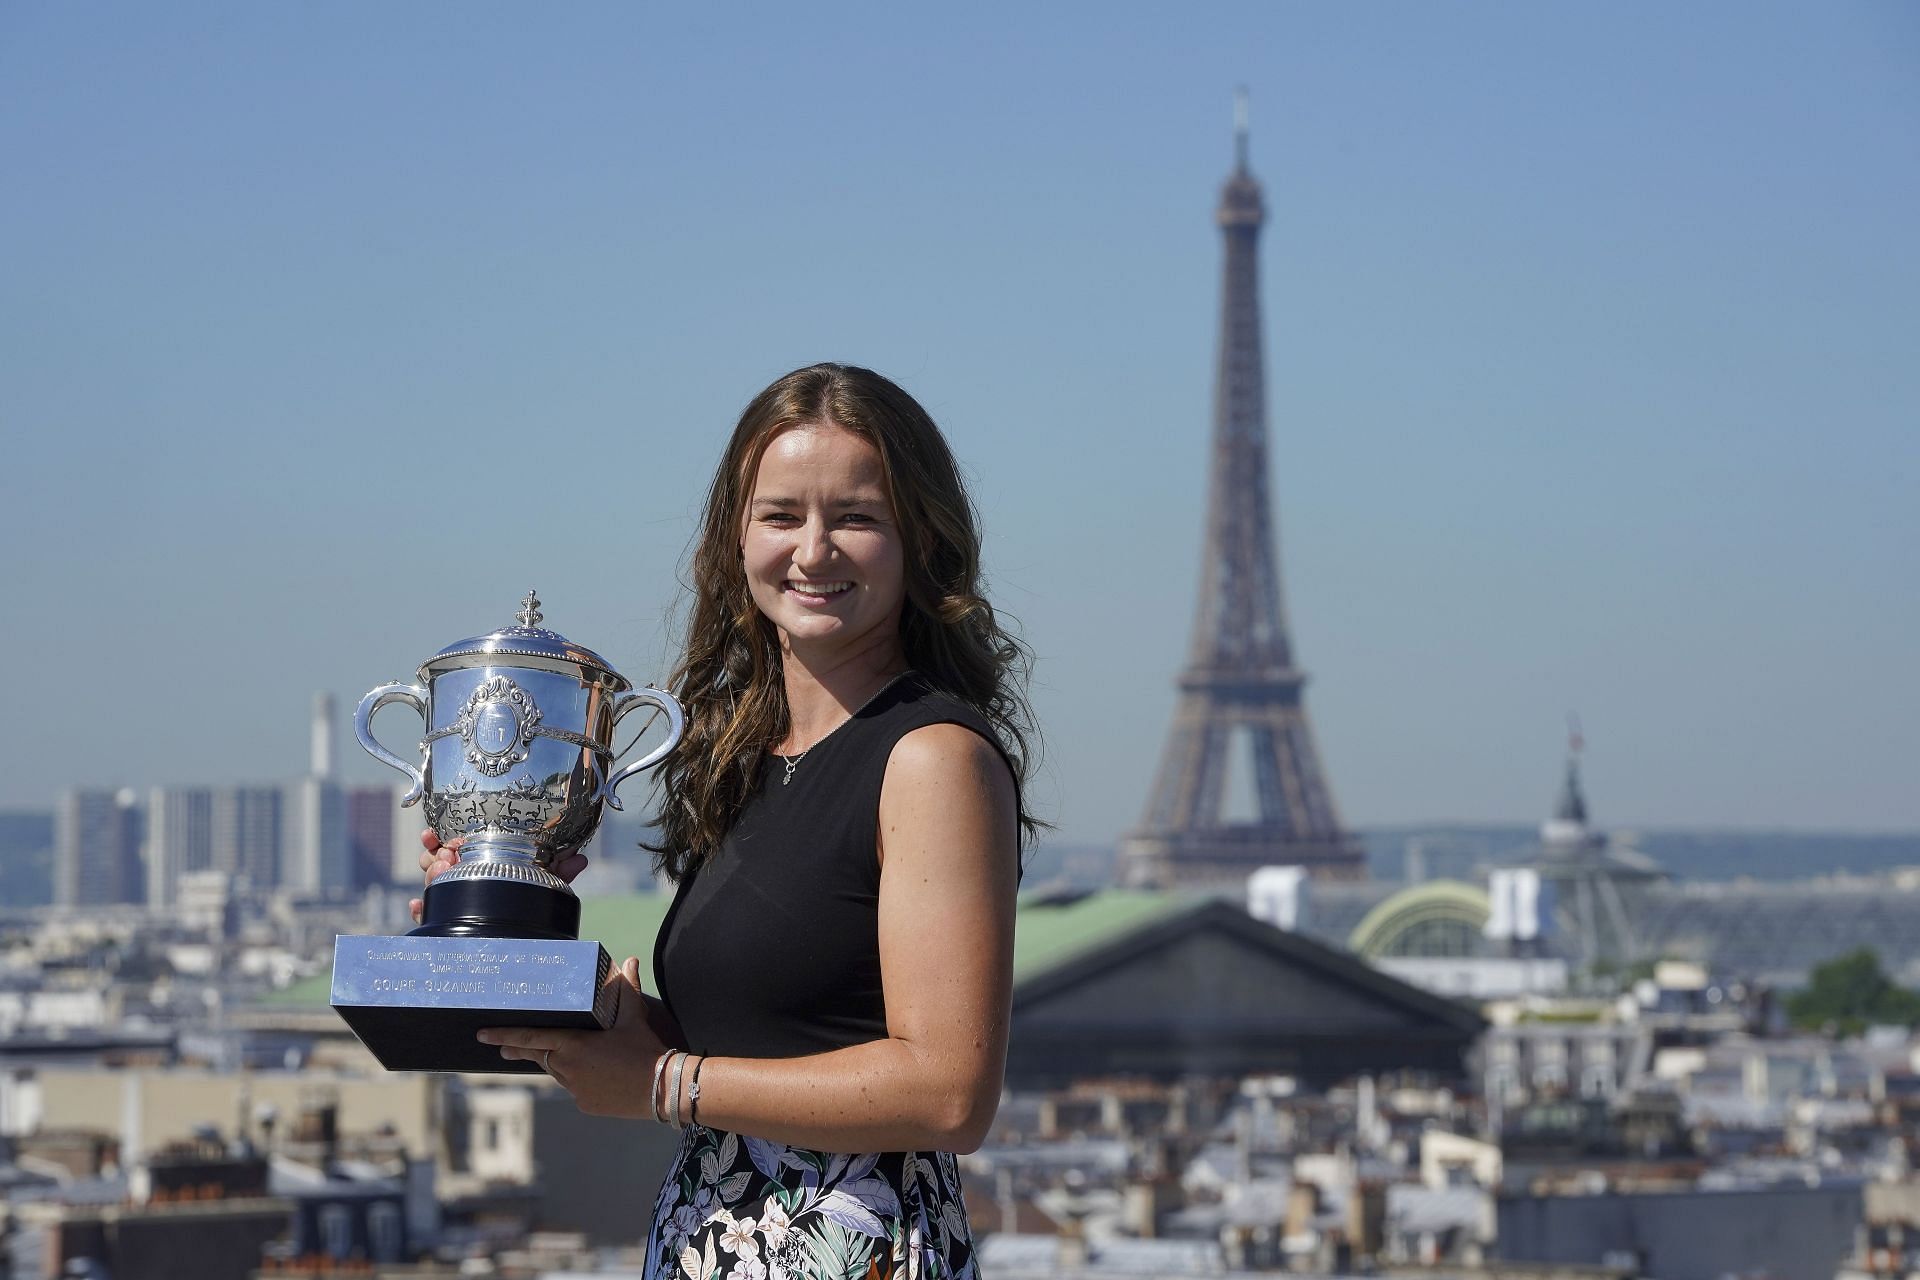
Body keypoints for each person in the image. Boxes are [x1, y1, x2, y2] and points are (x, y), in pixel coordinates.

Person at [414, 362, 1039, 1280]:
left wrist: (665, 1086)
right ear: (735, 537)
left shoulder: (931, 761)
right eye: (782, 515)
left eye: (856, 518)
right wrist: (514, 914)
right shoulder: (751, 758)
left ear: (920, 542)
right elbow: (774, 1045)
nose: (814, 550)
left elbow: (949, 1094)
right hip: (716, 1241)